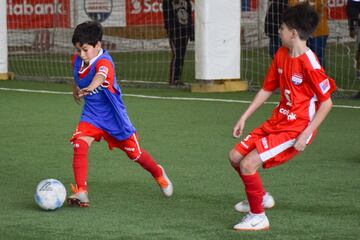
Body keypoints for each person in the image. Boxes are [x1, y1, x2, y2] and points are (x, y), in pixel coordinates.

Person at [228, 3, 336, 231]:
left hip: (296, 128)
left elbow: (327, 103)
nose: (278, 31)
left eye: (282, 28)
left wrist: (306, 134)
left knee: (248, 163)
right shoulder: (281, 54)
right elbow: (267, 89)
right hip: (278, 120)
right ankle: (260, 196)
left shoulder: (310, 64)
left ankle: (258, 216)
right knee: (235, 156)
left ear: (293, 33)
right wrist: (244, 116)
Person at [68, 21, 173, 207]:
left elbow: (100, 77)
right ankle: (81, 191)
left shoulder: (105, 62)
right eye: (78, 50)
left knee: (135, 155)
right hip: (92, 115)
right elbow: (78, 75)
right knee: (79, 144)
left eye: (85, 50)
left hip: (114, 119)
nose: (81, 55)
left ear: (98, 45)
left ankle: (158, 173)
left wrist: (89, 88)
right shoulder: (78, 59)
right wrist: (76, 88)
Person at [163, 0, 194, 86]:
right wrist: (170, 30)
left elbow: (190, 16)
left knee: (181, 56)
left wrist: (191, 32)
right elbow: (167, 18)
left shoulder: (187, 2)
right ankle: (173, 79)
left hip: (185, 32)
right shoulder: (168, 2)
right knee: (177, 55)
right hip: (175, 32)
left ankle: (178, 79)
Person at [289, 0, 329, 67]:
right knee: (303, 59)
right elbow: (292, 5)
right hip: (302, 31)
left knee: (316, 60)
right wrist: (305, 4)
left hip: (318, 32)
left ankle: (319, 77)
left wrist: (304, 4)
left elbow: (319, 6)